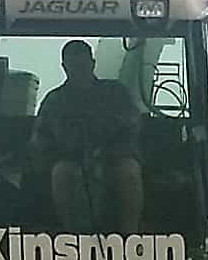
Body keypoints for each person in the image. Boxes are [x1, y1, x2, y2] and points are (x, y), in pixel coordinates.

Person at [32, 39, 143, 233]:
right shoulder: (54, 101)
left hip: (114, 160)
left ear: (92, 63)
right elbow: (40, 142)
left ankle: (130, 238)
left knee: (129, 171)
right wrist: (64, 154)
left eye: (82, 65)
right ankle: (73, 239)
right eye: (73, 66)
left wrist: (107, 152)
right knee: (61, 173)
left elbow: (134, 129)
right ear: (64, 67)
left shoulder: (116, 94)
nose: (78, 70)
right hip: (71, 163)